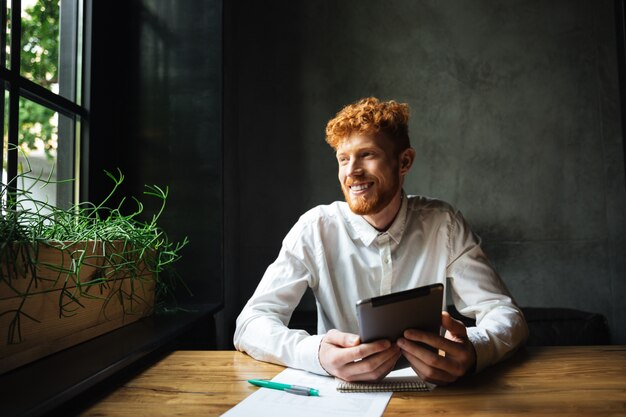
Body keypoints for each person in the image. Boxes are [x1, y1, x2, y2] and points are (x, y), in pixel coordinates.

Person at [234, 97, 528, 385]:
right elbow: (250, 324)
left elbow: (504, 314)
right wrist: (317, 354)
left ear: (404, 161)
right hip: (339, 402)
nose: (352, 172)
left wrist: (473, 351)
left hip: (436, 401)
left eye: (367, 155)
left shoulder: (444, 224)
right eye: (343, 159)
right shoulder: (314, 229)